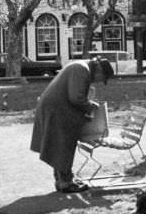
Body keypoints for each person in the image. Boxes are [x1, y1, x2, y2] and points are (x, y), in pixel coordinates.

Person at [30, 55, 115, 192]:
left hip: (56, 109)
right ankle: (65, 183)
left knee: (59, 147)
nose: (98, 81)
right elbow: (76, 98)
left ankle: (63, 179)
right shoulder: (81, 70)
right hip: (58, 111)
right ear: (99, 70)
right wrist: (91, 106)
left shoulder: (80, 67)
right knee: (64, 146)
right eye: (101, 78)